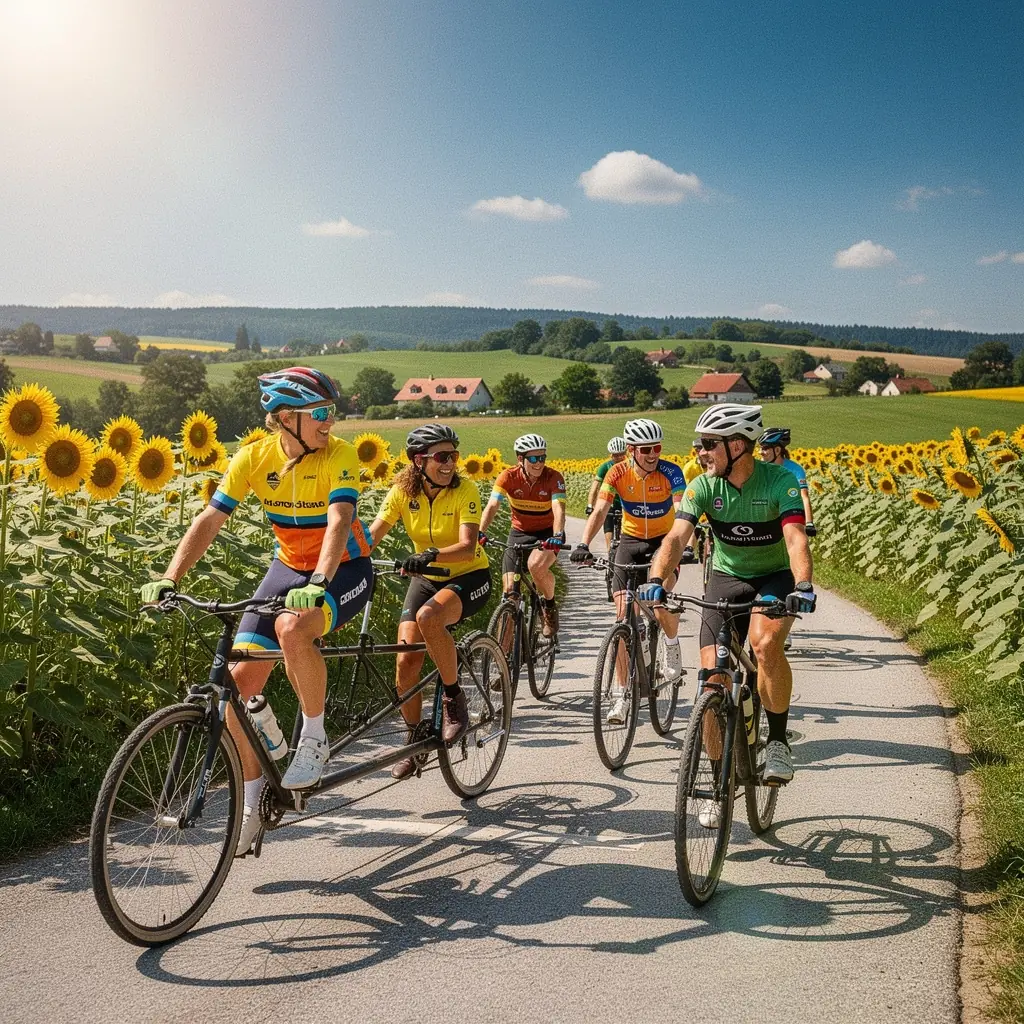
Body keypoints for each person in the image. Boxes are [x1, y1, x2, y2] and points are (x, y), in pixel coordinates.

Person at [140, 366, 375, 856]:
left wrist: (319, 581)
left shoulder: (340, 454)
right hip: (287, 569)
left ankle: (314, 736)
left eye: (331, 412)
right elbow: (211, 518)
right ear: (285, 418)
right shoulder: (253, 457)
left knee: (292, 629)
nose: (331, 421)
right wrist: (169, 578)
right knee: (235, 688)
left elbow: (339, 521)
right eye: (321, 414)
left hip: (345, 569)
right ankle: (251, 803)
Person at [638, 403, 816, 810]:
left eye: (708, 445)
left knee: (764, 644)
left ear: (737, 446)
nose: (700, 453)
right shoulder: (704, 486)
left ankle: (777, 742)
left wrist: (803, 585)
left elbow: (795, 541)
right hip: (726, 579)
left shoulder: (780, 481)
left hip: (774, 578)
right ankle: (720, 783)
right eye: (700, 445)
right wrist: (655, 580)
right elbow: (676, 539)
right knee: (712, 680)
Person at [369, 423, 491, 781]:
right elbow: (372, 536)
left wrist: (430, 553)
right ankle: (415, 740)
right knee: (406, 659)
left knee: (429, 617)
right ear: (418, 461)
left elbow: (469, 546)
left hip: (469, 576)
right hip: (427, 577)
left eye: (454, 455)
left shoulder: (465, 489)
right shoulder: (401, 492)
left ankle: (455, 700)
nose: (450, 462)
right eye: (442, 456)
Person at [571, 418, 686, 723]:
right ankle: (622, 697)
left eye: (657, 448)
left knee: (659, 603)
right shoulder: (616, 472)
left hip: (664, 543)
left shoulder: (671, 472)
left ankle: (672, 645)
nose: (653, 454)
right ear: (632, 449)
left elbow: (683, 511)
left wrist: (684, 545)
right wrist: (583, 543)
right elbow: (601, 510)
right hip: (631, 542)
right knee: (623, 618)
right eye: (646, 449)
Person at [479, 433, 565, 635]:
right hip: (518, 533)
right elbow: (492, 505)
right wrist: (480, 531)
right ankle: (505, 657)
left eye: (542, 457)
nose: (539, 463)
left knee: (535, 566)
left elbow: (558, 508)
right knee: (510, 593)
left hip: (547, 534)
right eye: (533, 459)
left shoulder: (553, 477)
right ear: (520, 459)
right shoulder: (508, 476)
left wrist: (558, 534)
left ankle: (549, 606)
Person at [757, 427, 816, 536]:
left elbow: (804, 496)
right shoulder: (757, 468)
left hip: (787, 518)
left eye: (765, 448)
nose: (760, 452)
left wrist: (809, 523)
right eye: (760, 448)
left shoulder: (795, 470)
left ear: (778, 450)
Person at [586, 437, 628, 553]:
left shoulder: (631, 466)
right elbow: (595, 488)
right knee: (607, 521)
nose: (619, 458)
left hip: (626, 502)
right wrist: (590, 505)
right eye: (615, 455)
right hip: (610, 502)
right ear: (610, 455)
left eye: (621, 455)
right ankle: (610, 552)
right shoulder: (605, 467)